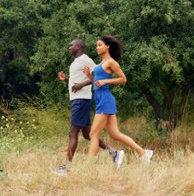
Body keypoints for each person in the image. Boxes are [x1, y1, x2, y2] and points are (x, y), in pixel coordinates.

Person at [52, 39, 124, 176]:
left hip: (81, 100)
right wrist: (67, 80)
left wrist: (81, 85)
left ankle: (66, 168)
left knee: (73, 133)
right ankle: (114, 154)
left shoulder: (86, 60)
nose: (69, 48)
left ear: (78, 46)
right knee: (86, 134)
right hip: (78, 100)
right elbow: (77, 81)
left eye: (71, 45)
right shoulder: (75, 63)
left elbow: (95, 79)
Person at [83, 35, 153, 164]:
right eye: (96, 45)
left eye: (99, 45)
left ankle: (88, 166)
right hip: (100, 98)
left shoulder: (111, 62)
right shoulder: (101, 64)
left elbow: (123, 78)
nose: (97, 48)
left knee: (93, 134)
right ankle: (143, 153)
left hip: (105, 99)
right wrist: (88, 75)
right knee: (115, 134)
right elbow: (97, 83)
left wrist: (106, 80)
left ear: (107, 46)